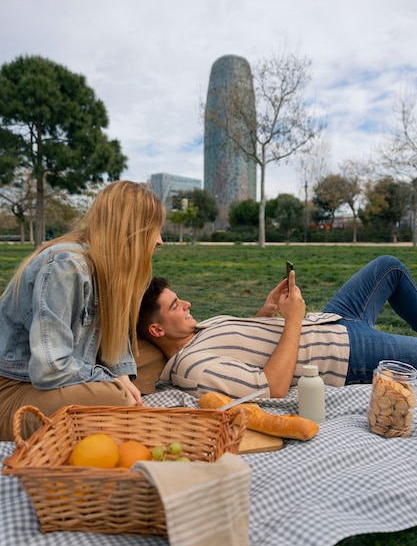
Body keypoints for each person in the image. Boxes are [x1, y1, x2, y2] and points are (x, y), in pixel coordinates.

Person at [0, 180, 165, 440]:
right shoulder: (68, 266)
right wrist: (111, 381)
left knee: (151, 358)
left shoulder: (108, 272)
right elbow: (49, 369)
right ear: (131, 231)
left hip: (52, 380)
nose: (160, 241)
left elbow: (117, 346)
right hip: (16, 391)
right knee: (116, 398)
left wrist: (121, 375)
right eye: (155, 231)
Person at [137, 255, 417, 400]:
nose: (186, 303)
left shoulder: (198, 330)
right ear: (157, 331)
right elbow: (270, 388)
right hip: (346, 353)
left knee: (388, 268)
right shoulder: (191, 368)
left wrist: (267, 312)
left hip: (330, 319)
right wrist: (293, 319)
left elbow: (248, 348)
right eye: (175, 305)